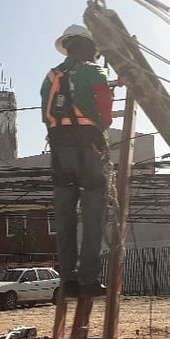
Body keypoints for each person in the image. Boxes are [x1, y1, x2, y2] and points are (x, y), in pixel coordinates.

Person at [41, 24, 114, 298]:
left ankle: (68, 281)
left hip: (60, 153)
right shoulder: (95, 71)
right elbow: (105, 114)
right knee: (94, 215)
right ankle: (88, 280)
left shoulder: (51, 76)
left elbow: (44, 115)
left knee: (65, 219)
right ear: (88, 47)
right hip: (89, 150)